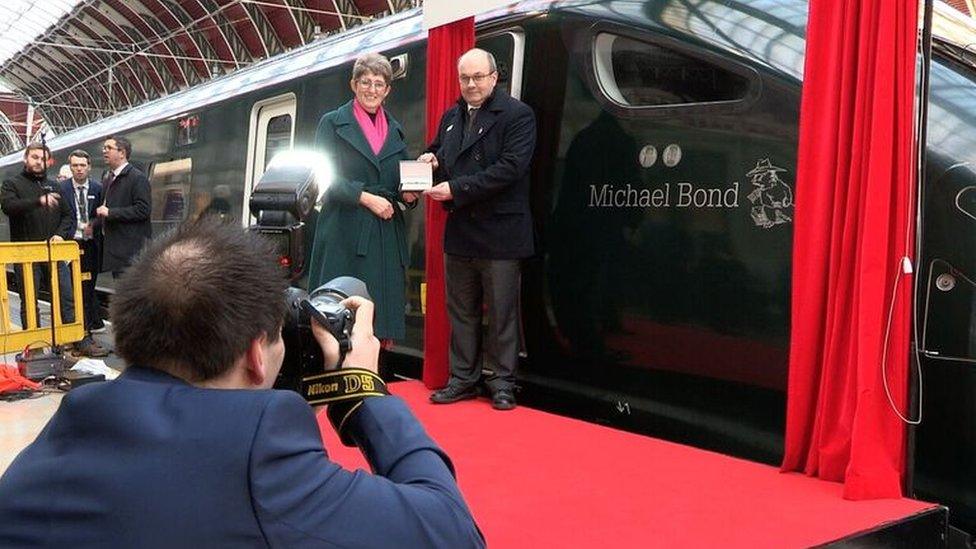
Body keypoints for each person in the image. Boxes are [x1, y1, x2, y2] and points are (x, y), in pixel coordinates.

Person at [0, 218, 485, 548]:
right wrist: (361, 392)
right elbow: (452, 530)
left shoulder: (65, 429)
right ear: (256, 353)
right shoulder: (259, 451)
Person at [421, 48, 537, 411]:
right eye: (464, 78)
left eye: (477, 77)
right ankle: (463, 380)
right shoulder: (452, 117)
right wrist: (431, 160)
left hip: (501, 234)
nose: (470, 85)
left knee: (502, 313)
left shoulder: (518, 115)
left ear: (493, 77)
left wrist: (456, 189)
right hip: (461, 234)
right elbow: (441, 153)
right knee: (462, 312)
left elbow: (510, 168)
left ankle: (502, 382)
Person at [308, 53, 417, 345]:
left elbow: (399, 185)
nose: (372, 89)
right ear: (353, 85)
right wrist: (366, 198)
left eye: (379, 83)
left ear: (388, 90)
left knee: (380, 320)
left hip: (383, 236)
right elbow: (324, 178)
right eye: (365, 82)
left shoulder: (396, 130)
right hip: (344, 232)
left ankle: (374, 375)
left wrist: (409, 194)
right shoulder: (331, 123)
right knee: (341, 316)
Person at [0, 143, 75, 329]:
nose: (39, 162)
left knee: (66, 297)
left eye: (43, 159)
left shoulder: (54, 186)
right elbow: (9, 207)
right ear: (26, 158)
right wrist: (38, 201)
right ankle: (32, 346)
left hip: (53, 253)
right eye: (35, 157)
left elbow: (68, 215)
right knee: (30, 300)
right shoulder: (12, 184)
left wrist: (60, 235)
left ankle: (73, 339)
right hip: (26, 255)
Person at [60, 149, 109, 357]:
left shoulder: (98, 189)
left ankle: (86, 333)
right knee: (70, 292)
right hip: (70, 247)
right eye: (75, 165)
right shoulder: (62, 189)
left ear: (89, 167)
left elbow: (101, 215)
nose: (79, 169)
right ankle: (73, 334)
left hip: (90, 247)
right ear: (70, 167)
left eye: (82, 165)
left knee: (88, 292)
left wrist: (94, 225)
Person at [96, 134, 151, 277]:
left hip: (131, 253)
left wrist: (111, 213)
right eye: (104, 148)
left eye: (109, 148)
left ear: (122, 153)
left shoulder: (137, 178)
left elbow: (143, 210)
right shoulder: (109, 179)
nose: (104, 151)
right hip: (116, 252)